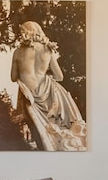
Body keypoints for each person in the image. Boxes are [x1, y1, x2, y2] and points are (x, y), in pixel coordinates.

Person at [10, 21, 86, 151]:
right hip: (49, 96)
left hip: (31, 99)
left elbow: (13, 77)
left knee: (41, 137)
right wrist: (44, 71)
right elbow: (59, 77)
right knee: (54, 136)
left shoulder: (17, 52)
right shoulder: (47, 50)